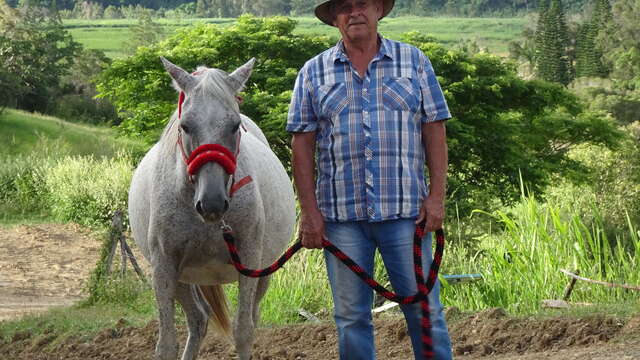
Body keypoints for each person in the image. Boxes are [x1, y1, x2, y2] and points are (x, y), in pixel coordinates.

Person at [286, 0, 453, 358]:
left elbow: (434, 130)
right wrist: (309, 213)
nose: (354, 12)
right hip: (341, 220)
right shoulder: (313, 72)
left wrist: (436, 196)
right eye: (344, 7)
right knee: (350, 318)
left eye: (362, 3)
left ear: (378, 9)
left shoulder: (414, 62)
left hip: (408, 214)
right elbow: (301, 146)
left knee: (425, 312)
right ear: (334, 19)